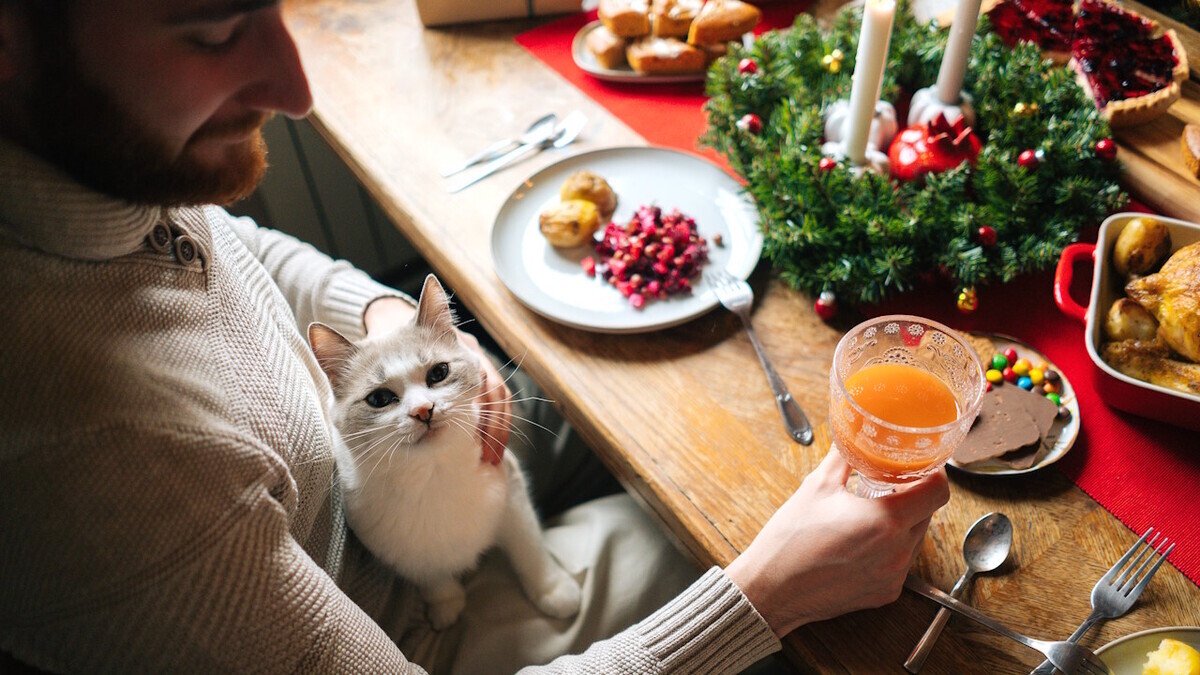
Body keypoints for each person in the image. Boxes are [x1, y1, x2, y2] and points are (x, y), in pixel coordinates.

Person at [0, 1, 951, 673]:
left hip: (388, 455)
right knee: (735, 522)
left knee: (666, 379)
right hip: (411, 624)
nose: (294, 89)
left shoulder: (108, 173)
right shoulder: (95, 468)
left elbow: (239, 245)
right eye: (213, 30)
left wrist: (382, 324)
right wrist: (762, 596)